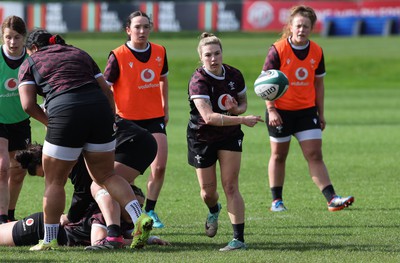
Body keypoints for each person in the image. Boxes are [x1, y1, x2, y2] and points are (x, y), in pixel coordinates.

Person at [17, 29, 153, 251]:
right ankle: (139, 217)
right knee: (106, 175)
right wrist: (110, 119)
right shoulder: (79, 53)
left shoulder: (30, 61)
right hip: (100, 110)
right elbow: (107, 92)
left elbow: (27, 105)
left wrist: (51, 123)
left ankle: (49, 239)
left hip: (65, 110)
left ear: (33, 48)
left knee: (55, 181)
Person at [261, 5, 354, 212]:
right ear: (291, 27)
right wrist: (272, 109)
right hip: (280, 112)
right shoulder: (277, 49)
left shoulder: (317, 51)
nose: (302, 30)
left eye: (306, 26)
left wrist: (321, 113)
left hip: (306, 111)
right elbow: (264, 84)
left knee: (314, 155)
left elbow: (318, 85)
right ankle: (277, 201)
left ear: (312, 28)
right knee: (278, 155)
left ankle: (332, 199)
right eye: (298, 26)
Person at [187, 32, 263, 251]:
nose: (213, 58)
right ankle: (213, 210)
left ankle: (238, 239)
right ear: (201, 57)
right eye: (208, 55)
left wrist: (235, 110)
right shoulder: (198, 81)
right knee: (207, 192)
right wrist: (242, 119)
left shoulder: (234, 75)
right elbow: (209, 118)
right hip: (202, 137)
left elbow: (242, 104)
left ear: (222, 53)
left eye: (217, 53)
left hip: (229, 136)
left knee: (231, 185)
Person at [104, 11, 169, 229]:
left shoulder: (160, 51)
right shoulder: (117, 55)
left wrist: (165, 107)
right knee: (126, 175)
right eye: (137, 27)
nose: (142, 31)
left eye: (146, 26)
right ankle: (127, 217)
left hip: (154, 118)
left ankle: (150, 209)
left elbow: (163, 79)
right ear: (128, 30)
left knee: (159, 167)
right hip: (126, 121)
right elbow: (107, 87)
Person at [0, 15, 31, 224]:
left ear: (24, 38)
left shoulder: (31, 59)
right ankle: (1, 217)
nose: (12, 42)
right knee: (2, 167)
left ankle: (10, 215)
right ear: (2, 36)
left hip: (20, 121)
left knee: (18, 170)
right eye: (8, 37)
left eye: (17, 37)